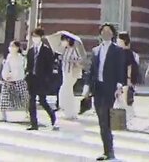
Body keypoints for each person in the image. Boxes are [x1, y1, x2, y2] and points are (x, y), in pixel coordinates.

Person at [82, 23, 125, 161]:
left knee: (106, 119)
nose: (106, 34)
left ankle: (109, 151)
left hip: (109, 88)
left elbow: (120, 69)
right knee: (101, 120)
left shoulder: (117, 50)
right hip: (97, 87)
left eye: (108, 31)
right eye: (103, 31)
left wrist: (119, 86)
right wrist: (87, 86)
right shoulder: (95, 50)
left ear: (113, 34)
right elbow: (91, 70)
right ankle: (107, 149)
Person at [25, 28, 57, 131]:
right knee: (31, 101)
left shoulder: (46, 50)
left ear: (41, 37)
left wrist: (47, 79)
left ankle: (52, 114)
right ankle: (34, 123)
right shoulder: (30, 50)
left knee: (42, 101)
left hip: (42, 80)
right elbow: (29, 65)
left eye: (37, 36)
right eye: (33, 36)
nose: (35, 38)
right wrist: (27, 73)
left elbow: (50, 66)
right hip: (32, 79)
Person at [0, 40, 29, 122]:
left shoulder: (21, 58)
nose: (11, 48)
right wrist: (6, 76)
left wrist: (13, 75)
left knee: (24, 97)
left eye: (13, 46)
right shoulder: (9, 57)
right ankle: (3, 116)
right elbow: (6, 68)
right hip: (8, 80)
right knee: (4, 98)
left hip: (19, 80)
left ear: (17, 48)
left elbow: (20, 69)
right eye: (10, 46)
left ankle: (28, 113)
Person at [116, 32, 140, 126]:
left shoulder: (128, 53)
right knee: (119, 98)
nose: (117, 41)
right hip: (119, 78)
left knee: (126, 98)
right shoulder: (118, 51)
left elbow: (130, 67)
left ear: (124, 41)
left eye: (119, 39)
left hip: (126, 78)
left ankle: (128, 117)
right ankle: (124, 117)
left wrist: (129, 79)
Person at [59, 34, 83, 120]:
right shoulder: (65, 50)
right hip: (65, 72)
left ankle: (70, 112)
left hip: (71, 73)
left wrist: (70, 60)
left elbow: (79, 60)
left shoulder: (73, 50)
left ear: (68, 41)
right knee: (67, 91)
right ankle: (68, 111)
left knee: (67, 90)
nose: (62, 42)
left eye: (63, 40)